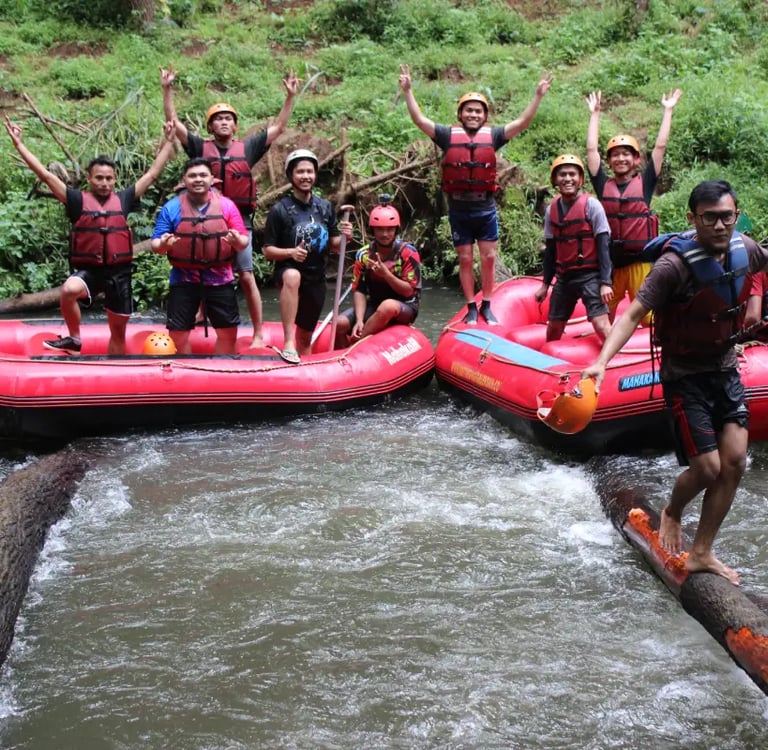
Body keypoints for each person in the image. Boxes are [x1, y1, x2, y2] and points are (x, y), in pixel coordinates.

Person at [582, 180, 768, 586]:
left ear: (737, 216)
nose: (720, 226)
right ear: (692, 218)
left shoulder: (746, 248)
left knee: (734, 461)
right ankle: (672, 511)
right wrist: (600, 363)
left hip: (724, 367)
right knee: (707, 468)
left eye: (727, 217)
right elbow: (631, 315)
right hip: (684, 375)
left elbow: (762, 265)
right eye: (710, 218)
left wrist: (755, 308)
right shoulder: (673, 266)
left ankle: (701, 551)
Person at [3, 115, 176, 355]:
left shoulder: (124, 199)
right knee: (68, 289)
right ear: (89, 179)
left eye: (109, 178)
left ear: (115, 180)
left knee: (118, 333)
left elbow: (152, 174)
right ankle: (74, 339)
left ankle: (115, 376)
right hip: (90, 271)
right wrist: (19, 145)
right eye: (99, 178)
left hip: (119, 273)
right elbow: (46, 175)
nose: (104, 183)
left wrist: (169, 142)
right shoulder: (76, 200)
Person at [398, 64, 552, 326]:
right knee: (465, 259)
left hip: (485, 208)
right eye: (468, 110)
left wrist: (537, 96)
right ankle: (471, 306)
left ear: (484, 116)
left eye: (477, 111)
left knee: (489, 257)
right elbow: (419, 120)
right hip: (459, 210)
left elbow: (522, 122)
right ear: (461, 114)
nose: (473, 114)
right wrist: (408, 91)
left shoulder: (493, 135)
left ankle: (487, 304)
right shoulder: (447, 135)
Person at [160, 64, 300, 348]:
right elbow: (174, 124)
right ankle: (199, 315)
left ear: (235, 126)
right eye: (218, 119)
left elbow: (280, 127)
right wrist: (167, 90)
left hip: (239, 221)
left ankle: (259, 332)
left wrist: (289, 98)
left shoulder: (247, 148)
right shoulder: (200, 148)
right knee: (199, 261)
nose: (224, 122)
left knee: (246, 274)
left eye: (228, 119)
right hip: (202, 216)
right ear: (211, 126)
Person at [586, 88, 683, 323]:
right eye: (615, 155)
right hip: (611, 263)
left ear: (636, 159)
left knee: (648, 317)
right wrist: (595, 114)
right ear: (609, 161)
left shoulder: (645, 183)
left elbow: (660, 148)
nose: (620, 158)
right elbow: (591, 151)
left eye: (626, 154)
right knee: (602, 313)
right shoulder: (602, 184)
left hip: (640, 261)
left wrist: (668, 111)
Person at [150, 158, 249, 355]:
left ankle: (223, 374)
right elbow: (156, 244)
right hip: (183, 279)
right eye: (192, 175)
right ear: (184, 180)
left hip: (220, 278)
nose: (198, 179)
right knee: (177, 334)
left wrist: (236, 241)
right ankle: (184, 377)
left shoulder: (227, 206)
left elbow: (243, 240)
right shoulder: (172, 208)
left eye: (203, 175)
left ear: (212, 179)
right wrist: (163, 244)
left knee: (228, 333)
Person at [262, 149, 353, 363]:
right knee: (293, 275)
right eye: (300, 171)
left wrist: (345, 237)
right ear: (291, 176)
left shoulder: (324, 207)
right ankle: (287, 343)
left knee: (305, 336)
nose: (305, 176)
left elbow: (334, 246)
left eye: (309, 171)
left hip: (316, 276)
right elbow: (267, 251)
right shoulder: (280, 210)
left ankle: (302, 371)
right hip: (288, 272)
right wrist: (291, 252)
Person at [534, 154, 613, 342]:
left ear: (580, 180)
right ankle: (551, 364)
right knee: (553, 326)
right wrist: (545, 285)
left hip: (590, 275)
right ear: (555, 180)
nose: (567, 179)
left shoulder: (592, 205)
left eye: (572, 174)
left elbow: (604, 246)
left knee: (600, 323)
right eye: (562, 175)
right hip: (564, 276)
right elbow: (551, 252)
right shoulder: (551, 210)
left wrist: (605, 282)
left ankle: (616, 360)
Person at [333, 201, 421, 349]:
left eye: (389, 229)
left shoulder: (408, 253)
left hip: (405, 306)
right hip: (374, 305)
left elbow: (409, 291)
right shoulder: (364, 254)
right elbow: (359, 289)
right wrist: (360, 320)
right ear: (373, 230)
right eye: (380, 229)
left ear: (396, 230)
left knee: (387, 306)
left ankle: (353, 347)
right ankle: (341, 362)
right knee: (339, 323)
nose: (385, 234)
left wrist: (386, 274)